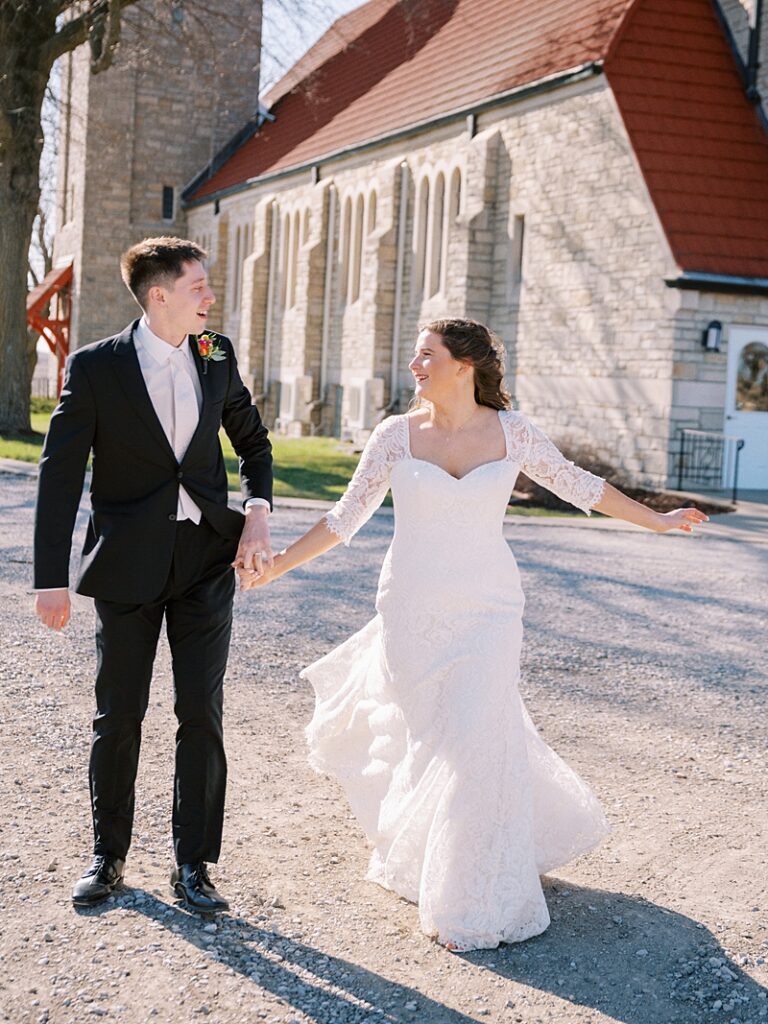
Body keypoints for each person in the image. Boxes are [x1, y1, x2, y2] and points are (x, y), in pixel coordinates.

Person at [239, 317, 707, 952]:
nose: (415, 366)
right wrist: (277, 568)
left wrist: (656, 520)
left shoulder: (514, 435)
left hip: (489, 611)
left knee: (478, 739)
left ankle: (469, 902)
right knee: (438, 741)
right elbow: (345, 518)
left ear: (464, 366)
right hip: (411, 610)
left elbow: (579, 486)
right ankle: (431, 855)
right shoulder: (394, 437)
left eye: (425, 355)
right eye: (415, 355)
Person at [33, 237, 274, 913]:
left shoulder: (216, 354)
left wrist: (256, 512)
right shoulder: (96, 367)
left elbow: (253, 442)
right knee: (120, 715)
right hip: (125, 564)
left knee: (202, 713)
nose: (210, 296)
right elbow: (58, 475)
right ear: (159, 294)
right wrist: (50, 576)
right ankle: (107, 857)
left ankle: (194, 865)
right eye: (199, 285)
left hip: (205, 561)